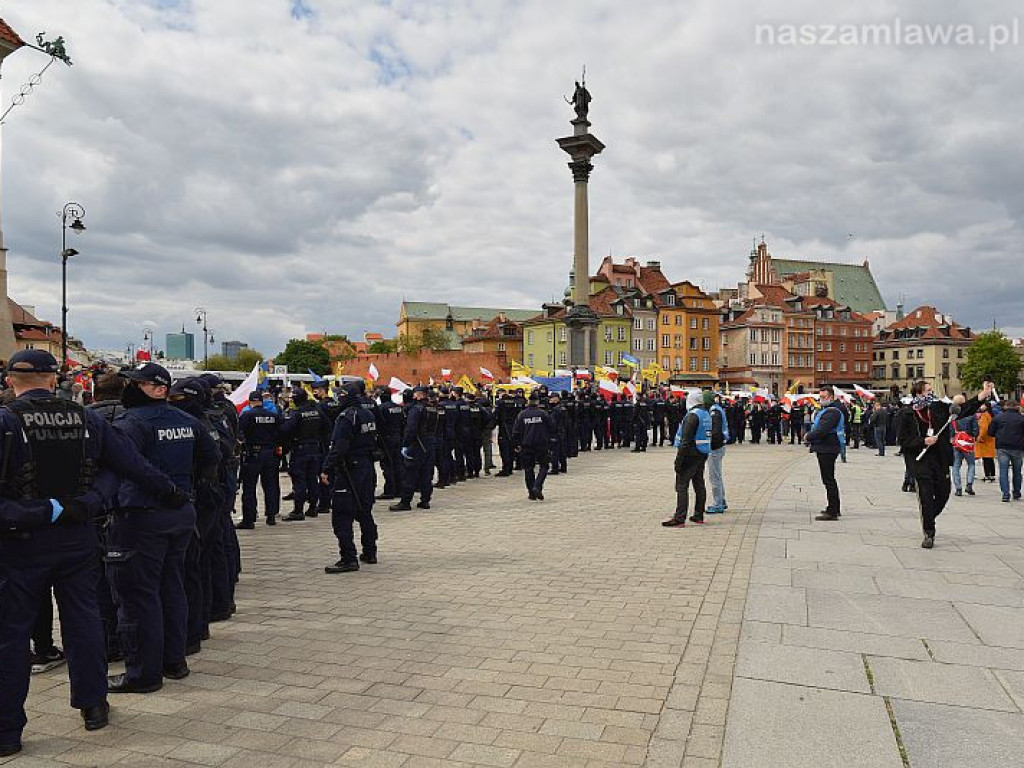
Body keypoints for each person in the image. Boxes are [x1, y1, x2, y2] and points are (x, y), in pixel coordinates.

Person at [0, 352, 188, 756]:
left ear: (11, 381)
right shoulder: (87, 420)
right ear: (54, 380)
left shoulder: (7, 421)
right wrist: (164, 494)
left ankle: (7, 732)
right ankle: (93, 705)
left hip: (19, 540)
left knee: (11, 635)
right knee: (83, 620)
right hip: (77, 535)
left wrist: (39, 510)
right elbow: (130, 465)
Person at [106, 363, 219, 693]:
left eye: (137, 384)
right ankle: (174, 660)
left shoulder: (131, 423)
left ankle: (143, 673)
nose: (130, 388)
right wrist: (187, 492)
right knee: (172, 586)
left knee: (139, 596)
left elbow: (126, 465)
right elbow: (212, 458)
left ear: (157, 388)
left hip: (142, 516)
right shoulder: (188, 421)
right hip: (180, 515)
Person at [897, 380, 993, 548]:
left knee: (943, 493)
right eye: (928, 390)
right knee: (926, 497)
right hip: (921, 460)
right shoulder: (907, 413)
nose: (932, 393)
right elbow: (902, 440)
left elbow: (962, 411)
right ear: (919, 393)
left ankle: (929, 517)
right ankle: (929, 533)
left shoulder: (938, 408)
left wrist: (981, 396)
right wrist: (923, 441)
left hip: (940, 458)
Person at [321, 385, 378, 572]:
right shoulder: (367, 414)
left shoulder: (346, 417)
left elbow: (339, 447)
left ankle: (348, 558)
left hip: (349, 470)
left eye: (340, 395)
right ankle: (370, 551)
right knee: (364, 510)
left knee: (342, 515)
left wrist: (326, 469)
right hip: (367, 467)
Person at [662, 391, 716, 527]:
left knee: (681, 485)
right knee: (699, 483)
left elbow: (685, 441)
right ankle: (698, 515)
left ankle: (680, 518)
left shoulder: (692, 415)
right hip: (702, 452)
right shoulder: (706, 414)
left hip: (690, 454)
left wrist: (678, 460)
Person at [280, 389, 329, 521]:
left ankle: (298, 510)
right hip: (315, 449)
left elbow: (285, 430)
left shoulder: (297, 414)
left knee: (299, 480)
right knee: (312, 479)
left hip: (300, 449)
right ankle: (313, 508)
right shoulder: (317, 411)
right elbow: (327, 427)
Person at [237, 391, 282, 528]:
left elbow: (239, 433)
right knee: (271, 485)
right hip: (271, 453)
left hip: (253, 453)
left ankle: (249, 519)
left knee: (249, 487)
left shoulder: (247, 415)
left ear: (250, 402)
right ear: (262, 401)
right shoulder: (273, 416)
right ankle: (271, 516)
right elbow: (282, 432)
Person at [390, 386, 438, 511]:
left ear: (419, 395)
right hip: (430, 443)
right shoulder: (433, 408)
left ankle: (405, 502)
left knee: (410, 474)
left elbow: (411, 429)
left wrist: (405, 444)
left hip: (417, 444)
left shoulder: (416, 409)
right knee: (426, 473)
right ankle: (425, 500)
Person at [804, 386, 845, 521]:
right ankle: (833, 507)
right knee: (828, 479)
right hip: (826, 447)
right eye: (820, 397)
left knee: (828, 480)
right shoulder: (828, 410)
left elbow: (822, 430)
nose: (821, 400)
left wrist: (808, 436)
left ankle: (833, 510)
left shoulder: (832, 412)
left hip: (828, 448)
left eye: (824, 397)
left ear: (831, 397)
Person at [512, 391, 556, 500]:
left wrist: (516, 444)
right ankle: (537, 486)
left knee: (528, 469)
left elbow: (516, 431)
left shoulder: (522, 415)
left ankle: (531, 492)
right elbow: (552, 427)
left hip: (526, 445)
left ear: (528, 402)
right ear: (537, 402)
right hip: (541, 444)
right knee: (544, 466)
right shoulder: (543, 414)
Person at [989, 399, 1024, 502]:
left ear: (1005, 407)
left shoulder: (998, 417)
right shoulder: (1021, 419)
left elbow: (990, 432)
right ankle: (1016, 492)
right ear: (1016, 407)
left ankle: (1005, 494)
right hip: (1018, 447)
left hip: (1002, 447)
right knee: (1017, 471)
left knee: (1003, 471)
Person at [706, 395, 729, 514]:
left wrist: (710, 446)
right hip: (719, 446)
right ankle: (721, 500)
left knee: (714, 476)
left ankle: (718, 503)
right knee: (717, 475)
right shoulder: (717, 409)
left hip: (715, 448)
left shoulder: (714, 412)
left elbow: (715, 432)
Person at [949, 409, 979, 497]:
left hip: (956, 442)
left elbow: (949, 431)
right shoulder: (971, 416)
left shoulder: (952, 416)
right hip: (967, 443)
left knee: (956, 465)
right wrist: (973, 437)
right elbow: (976, 430)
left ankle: (958, 488)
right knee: (971, 464)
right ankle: (969, 484)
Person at [974, 402, 997, 483]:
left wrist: (979, 438)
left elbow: (983, 428)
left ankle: (987, 475)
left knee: (986, 458)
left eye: (982, 405)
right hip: (991, 439)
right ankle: (992, 475)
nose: (981, 406)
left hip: (984, 440)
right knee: (990, 458)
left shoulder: (984, 415)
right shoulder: (991, 414)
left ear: (986, 406)